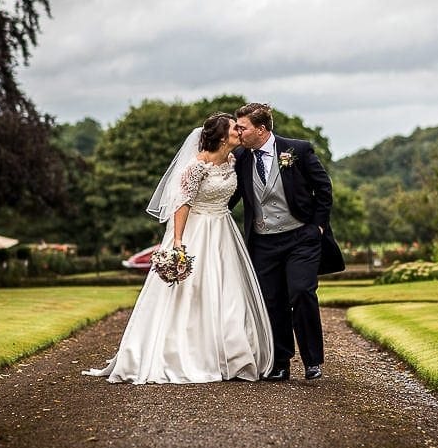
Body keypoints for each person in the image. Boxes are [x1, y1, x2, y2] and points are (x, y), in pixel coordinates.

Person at [83, 113, 273, 384]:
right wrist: (178, 242)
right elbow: (181, 204)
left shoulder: (233, 161)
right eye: (235, 128)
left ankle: (234, 357)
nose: (240, 132)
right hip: (196, 231)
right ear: (221, 136)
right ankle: (184, 354)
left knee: (229, 292)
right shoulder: (196, 166)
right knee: (192, 292)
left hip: (224, 231)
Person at [230, 102, 345, 382]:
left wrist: (317, 226)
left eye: (242, 127)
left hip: (300, 238)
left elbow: (323, 187)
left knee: (301, 291)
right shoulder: (241, 158)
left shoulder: (298, 150)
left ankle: (312, 361)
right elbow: (230, 197)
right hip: (263, 242)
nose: (237, 132)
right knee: (272, 301)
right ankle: (280, 363)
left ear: (261, 129)